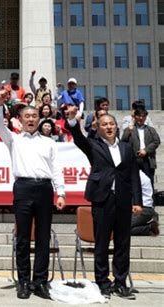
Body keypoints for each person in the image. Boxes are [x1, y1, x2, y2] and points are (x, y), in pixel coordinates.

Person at [0, 90, 66, 300]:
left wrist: (60, 192)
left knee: (43, 237)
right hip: (23, 189)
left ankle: (40, 281)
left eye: (34, 116)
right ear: (20, 120)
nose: (31, 119)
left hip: (44, 189)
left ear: (40, 119)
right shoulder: (14, 140)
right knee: (23, 238)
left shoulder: (49, 142)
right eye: (27, 116)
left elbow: (56, 169)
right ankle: (23, 281)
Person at [65, 106, 142, 300]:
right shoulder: (93, 145)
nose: (108, 127)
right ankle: (102, 282)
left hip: (123, 200)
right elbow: (79, 138)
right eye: (104, 124)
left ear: (116, 127)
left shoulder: (126, 147)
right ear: (98, 128)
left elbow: (134, 175)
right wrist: (74, 121)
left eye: (111, 124)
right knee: (101, 243)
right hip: (102, 199)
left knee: (123, 243)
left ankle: (120, 282)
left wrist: (137, 201)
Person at [121, 108, 160, 188]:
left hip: (147, 159)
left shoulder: (150, 130)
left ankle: (149, 200)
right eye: (139, 116)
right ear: (134, 117)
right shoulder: (130, 129)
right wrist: (129, 130)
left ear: (146, 117)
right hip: (133, 159)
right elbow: (123, 141)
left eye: (143, 116)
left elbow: (156, 141)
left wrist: (146, 150)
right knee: (133, 183)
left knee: (149, 182)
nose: (141, 118)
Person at [131, 171, 159, 236]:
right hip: (141, 208)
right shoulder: (137, 173)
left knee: (121, 229)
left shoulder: (136, 176)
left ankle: (149, 228)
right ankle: (147, 225)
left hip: (143, 210)